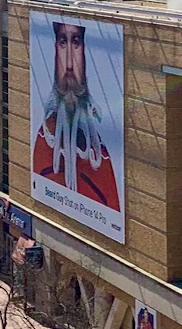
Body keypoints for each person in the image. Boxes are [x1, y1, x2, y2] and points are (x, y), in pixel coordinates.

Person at [31, 20, 122, 211]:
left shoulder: (102, 158)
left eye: (76, 42)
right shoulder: (42, 139)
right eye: (63, 42)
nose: (70, 64)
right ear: (55, 50)